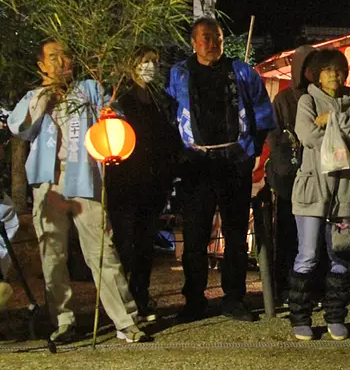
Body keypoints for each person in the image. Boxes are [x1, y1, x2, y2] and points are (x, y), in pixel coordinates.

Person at [8, 40, 148, 343]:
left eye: (66, 56)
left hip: (84, 178)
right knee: (52, 255)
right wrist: (44, 97)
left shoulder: (90, 88)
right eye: (53, 57)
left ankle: (126, 320)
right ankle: (63, 322)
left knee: (102, 250)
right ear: (42, 65)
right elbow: (19, 128)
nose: (61, 62)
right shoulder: (34, 96)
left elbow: (116, 120)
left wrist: (109, 116)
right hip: (48, 183)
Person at [167, 18, 276, 322]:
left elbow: (262, 112)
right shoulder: (179, 73)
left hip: (234, 161)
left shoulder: (242, 72)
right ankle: (194, 300)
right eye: (205, 38)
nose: (212, 44)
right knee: (195, 235)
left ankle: (234, 298)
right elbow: (170, 112)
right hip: (196, 163)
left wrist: (251, 150)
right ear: (193, 42)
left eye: (217, 38)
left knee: (236, 234)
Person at [288, 49, 350, 341]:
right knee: (308, 255)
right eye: (327, 70)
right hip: (312, 189)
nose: (334, 74)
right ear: (316, 75)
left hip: (345, 192)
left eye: (338, 69)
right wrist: (341, 138)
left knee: (341, 256)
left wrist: (333, 118)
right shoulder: (307, 101)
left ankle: (336, 317)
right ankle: (300, 318)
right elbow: (307, 135)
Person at [106, 47, 181, 322]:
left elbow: (168, 137)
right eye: (145, 61)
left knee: (145, 245)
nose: (150, 66)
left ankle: (141, 297)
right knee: (125, 244)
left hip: (153, 183)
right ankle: (122, 305)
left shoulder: (159, 101)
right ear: (132, 65)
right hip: (124, 183)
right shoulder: (120, 100)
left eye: (154, 62)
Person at [266, 46, 317, 303]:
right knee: (288, 234)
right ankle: (285, 287)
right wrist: (286, 169)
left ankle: (315, 286)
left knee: (315, 235)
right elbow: (274, 136)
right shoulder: (283, 99)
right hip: (291, 177)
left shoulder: (321, 96)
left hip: (317, 175)